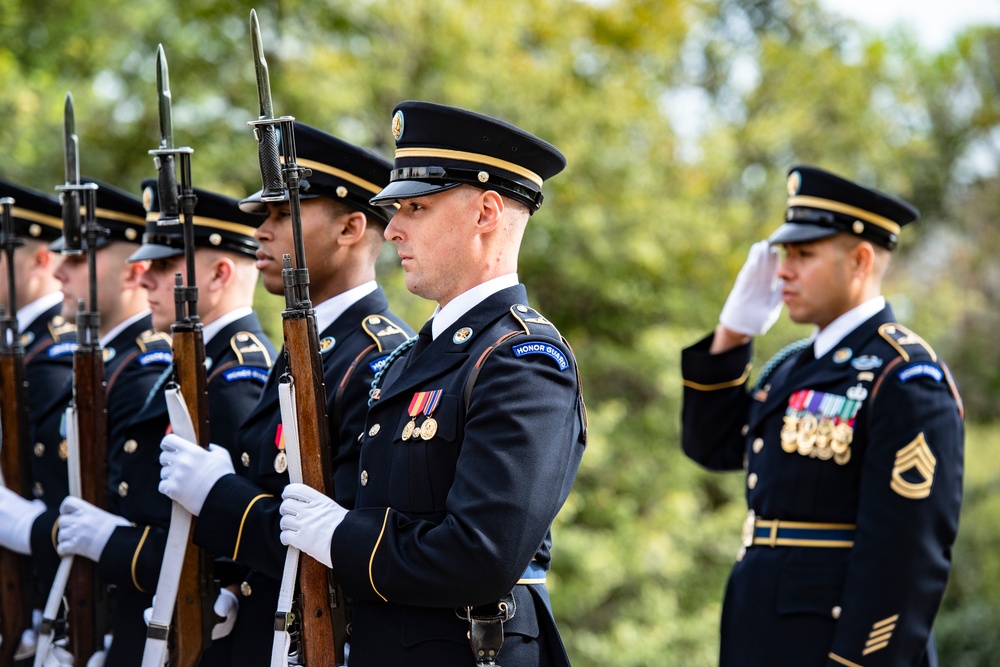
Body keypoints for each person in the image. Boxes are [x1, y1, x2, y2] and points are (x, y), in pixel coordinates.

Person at [271, 101, 586, 666]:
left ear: (486, 212)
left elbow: (482, 554)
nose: (391, 230)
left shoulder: (521, 360)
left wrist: (343, 539)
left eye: (416, 207)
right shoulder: (414, 357)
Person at [680, 165, 964, 666]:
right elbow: (711, 445)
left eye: (803, 254)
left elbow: (907, 555)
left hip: (837, 648)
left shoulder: (905, 377)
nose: (783, 271)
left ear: (859, 260)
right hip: (760, 635)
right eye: (785, 253)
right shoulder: (792, 367)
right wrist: (733, 334)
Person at [157, 122, 413, 666]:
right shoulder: (305, 346)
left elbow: (341, 536)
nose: (262, 233)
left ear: (350, 228)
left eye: (282, 214)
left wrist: (218, 493)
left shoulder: (379, 358)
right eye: (264, 217)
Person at [54, 182, 278, 666]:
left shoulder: (237, 373)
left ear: (219, 273)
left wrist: (111, 542)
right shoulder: (193, 364)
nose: (146, 278)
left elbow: (229, 549)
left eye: (163, 265)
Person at [0, 178, 172, 663]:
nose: (61, 271)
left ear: (132, 271)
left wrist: (35, 531)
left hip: (114, 615)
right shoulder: (101, 362)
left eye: (79, 257)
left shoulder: (143, 369)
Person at [0, 178, 76, 664]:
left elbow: (57, 487)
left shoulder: (56, 354)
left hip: (44, 598)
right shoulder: (21, 345)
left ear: (41, 260)